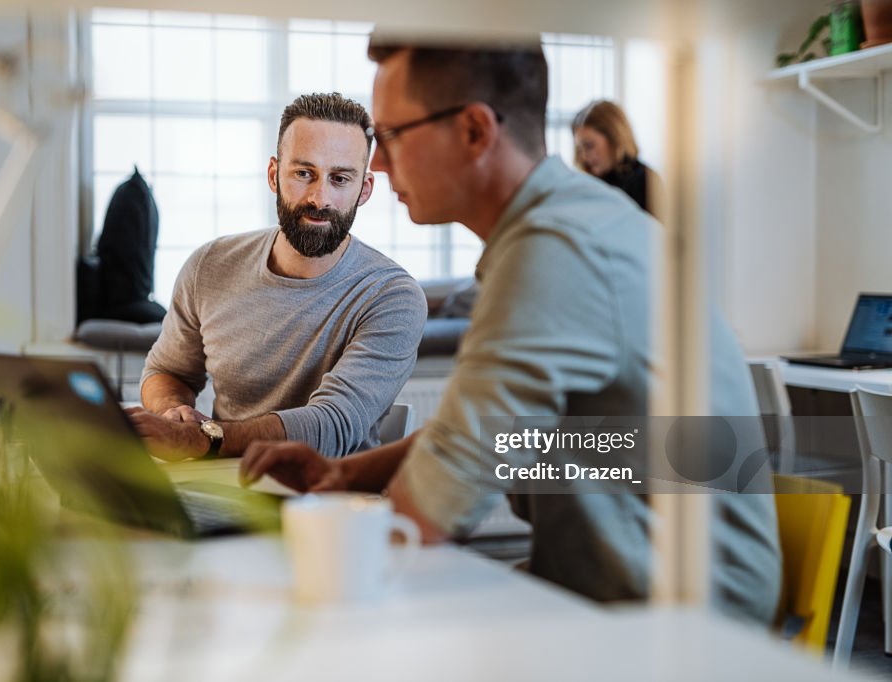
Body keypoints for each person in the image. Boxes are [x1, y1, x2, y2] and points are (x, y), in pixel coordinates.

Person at [240, 38, 782, 624]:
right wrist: (345, 474)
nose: (377, 165)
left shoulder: (555, 252)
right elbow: (491, 438)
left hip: (683, 623)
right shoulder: (566, 222)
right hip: (622, 590)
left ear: (474, 131)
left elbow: (420, 520)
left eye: (392, 136)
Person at [128, 93, 427, 462]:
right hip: (222, 484)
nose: (320, 198)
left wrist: (200, 439)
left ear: (364, 189)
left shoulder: (392, 296)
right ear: (274, 175)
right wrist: (172, 412)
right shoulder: (209, 265)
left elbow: (332, 425)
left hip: (331, 499)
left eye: (340, 178)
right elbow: (167, 370)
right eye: (304, 174)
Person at [572, 99, 661, 219]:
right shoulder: (589, 184)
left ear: (614, 138)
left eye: (589, 146)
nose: (583, 156)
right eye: (579, 149)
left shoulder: (645, 181)